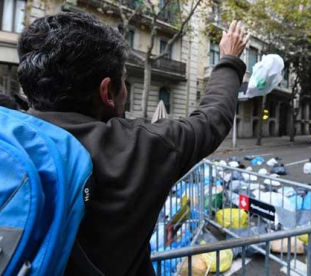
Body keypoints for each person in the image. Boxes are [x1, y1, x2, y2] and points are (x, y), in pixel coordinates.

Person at [17, 12, 248, 275]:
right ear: (107, 92)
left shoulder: (10, 137)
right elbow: (211, 119)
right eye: (123, 81)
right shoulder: (138, 146)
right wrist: (229, 58)